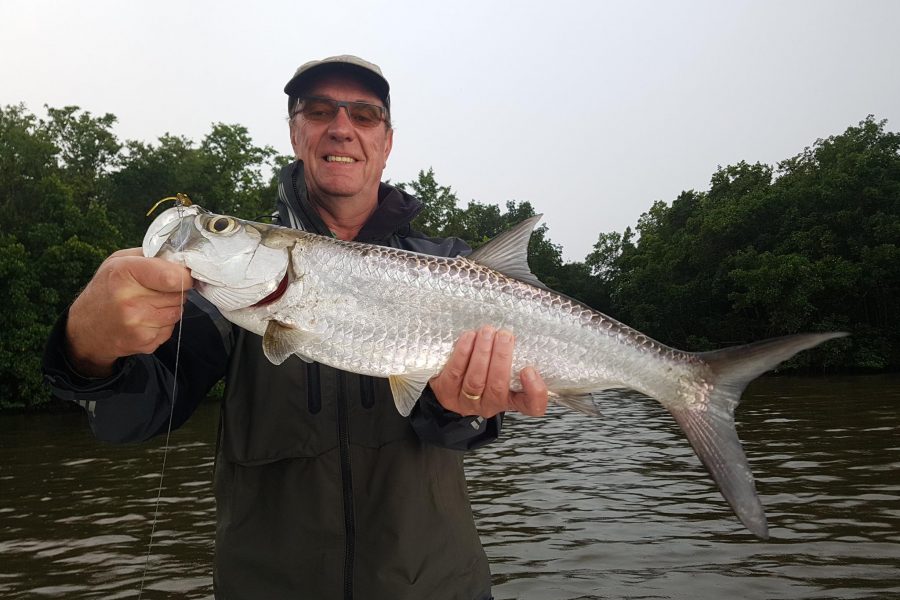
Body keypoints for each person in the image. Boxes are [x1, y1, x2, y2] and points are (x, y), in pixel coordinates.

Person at [42, 54, 549, 600]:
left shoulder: (452, 265)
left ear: (387, 141)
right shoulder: (224, 297)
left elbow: (461, 433)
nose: (341, 126)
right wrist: (86, 348)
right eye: (318, 110)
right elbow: (129, 421)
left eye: (364, 114)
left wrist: (459, 411)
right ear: (294, 132)